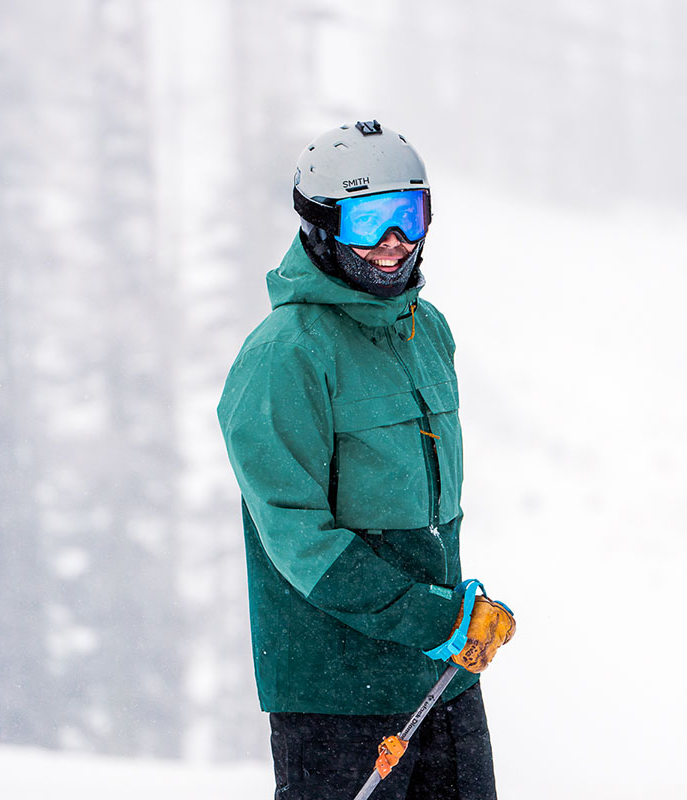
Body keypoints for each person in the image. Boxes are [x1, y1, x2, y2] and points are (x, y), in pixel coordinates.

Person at [217, 120, 516, 800]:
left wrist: (455, 611)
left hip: (441, 679)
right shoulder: (284, 355)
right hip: (337, 692)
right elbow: (300, 542)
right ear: (322, 226)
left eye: (408, 216)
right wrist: (430, 618)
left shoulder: (425, 329)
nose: (393, 243)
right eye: (369, 221)